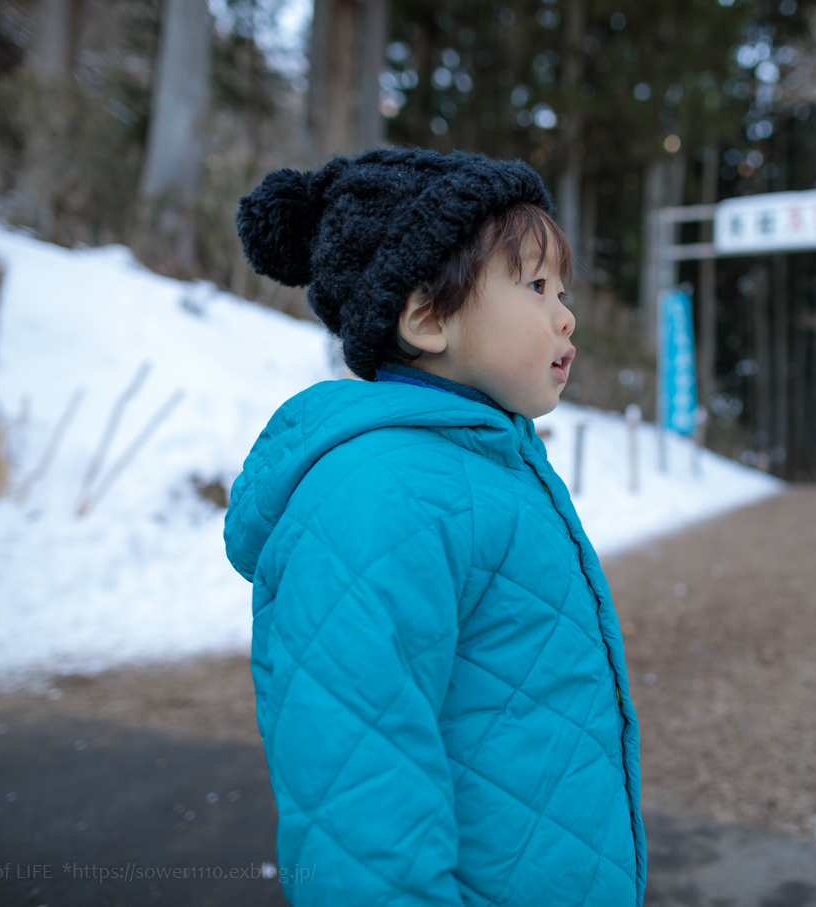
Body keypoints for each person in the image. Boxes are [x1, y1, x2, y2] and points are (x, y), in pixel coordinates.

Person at [223, 148, 646, 906]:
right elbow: (357, 783)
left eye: (564, 289)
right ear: (427, 317)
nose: (566, 313)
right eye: (536, 285)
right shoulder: (384, 494)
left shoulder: (486, 466)